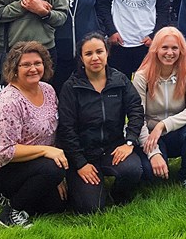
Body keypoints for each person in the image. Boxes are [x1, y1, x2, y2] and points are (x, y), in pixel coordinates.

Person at [0, 41, 67, 228]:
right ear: (14, 68)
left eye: (37, 63)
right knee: (52, 168)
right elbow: (1, 152)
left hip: (32, 163)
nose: (33, 69)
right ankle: (11, 213)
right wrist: (46, 153)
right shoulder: (9, 102)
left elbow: (54, 131)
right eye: (26, 65)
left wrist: (55, 178)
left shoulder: (48, 90)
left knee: (58, 205)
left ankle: (4, 195)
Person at [57, 33, 144, 213]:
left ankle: (118, 194)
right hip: (83, 153)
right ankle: (87, 186)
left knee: (133, 169)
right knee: (90, 207)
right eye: (88, 54)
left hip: (113, 148)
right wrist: (80, 163)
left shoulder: (120, 80)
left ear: (107, 53)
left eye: (99, 51)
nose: (95, 57)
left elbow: (136, 110)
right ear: (81, 58)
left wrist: (130, 142)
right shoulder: (71, 87)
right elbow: (66, 129)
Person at [132, 27, 186, 191]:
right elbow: (137, 118)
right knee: (150, 175)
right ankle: (157, 160)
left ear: (182, 50)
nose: (170, 53)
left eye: (175, 48)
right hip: (151, 135)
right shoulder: (141, 76)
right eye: (164, 47)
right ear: (156, 49)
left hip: (179, 131)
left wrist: (163, 125)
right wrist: (154, 154)